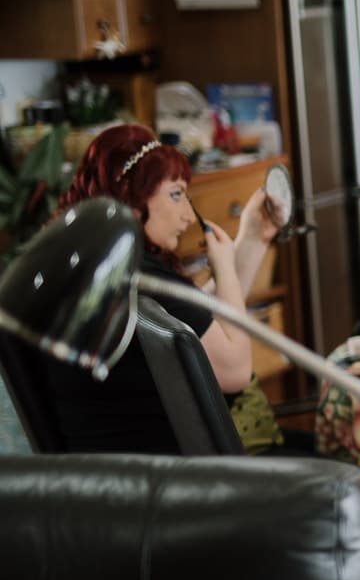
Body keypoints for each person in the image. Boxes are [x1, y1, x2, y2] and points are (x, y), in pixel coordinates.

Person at [44, 124, 286, 454]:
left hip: (118, 473)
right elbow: (235, 370)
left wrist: (253, 238)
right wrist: (225, 268)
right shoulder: (142, 280)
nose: (188, 215)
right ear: (129, 197)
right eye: (176, 195)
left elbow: (200, 318)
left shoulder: (103, 264)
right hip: (164, 481)